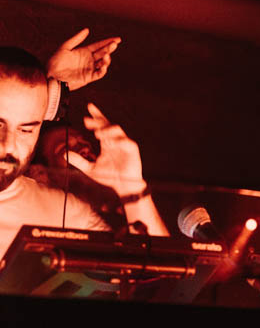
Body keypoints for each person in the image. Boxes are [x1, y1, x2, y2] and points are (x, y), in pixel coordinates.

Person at [0, 34, 168, 260]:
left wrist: (133, 190)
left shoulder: (63, 212)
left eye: (26, 130)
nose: (8, 145)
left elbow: (159, 275)